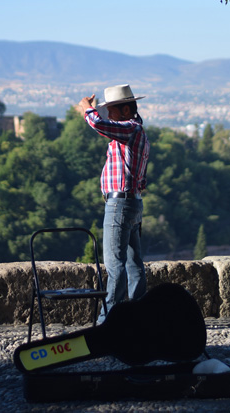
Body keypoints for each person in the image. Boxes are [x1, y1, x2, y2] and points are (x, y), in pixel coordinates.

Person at [76, 84, 150, 323]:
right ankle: (139, 317)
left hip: (119, 205)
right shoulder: (138, 132)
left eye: (112, 110)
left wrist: (88, 110)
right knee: (133, 262)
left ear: (126, 109)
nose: (108, 114)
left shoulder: (129, 129)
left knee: (115, 263)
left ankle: (107, 321)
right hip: (132, 203)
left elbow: (99, 124)